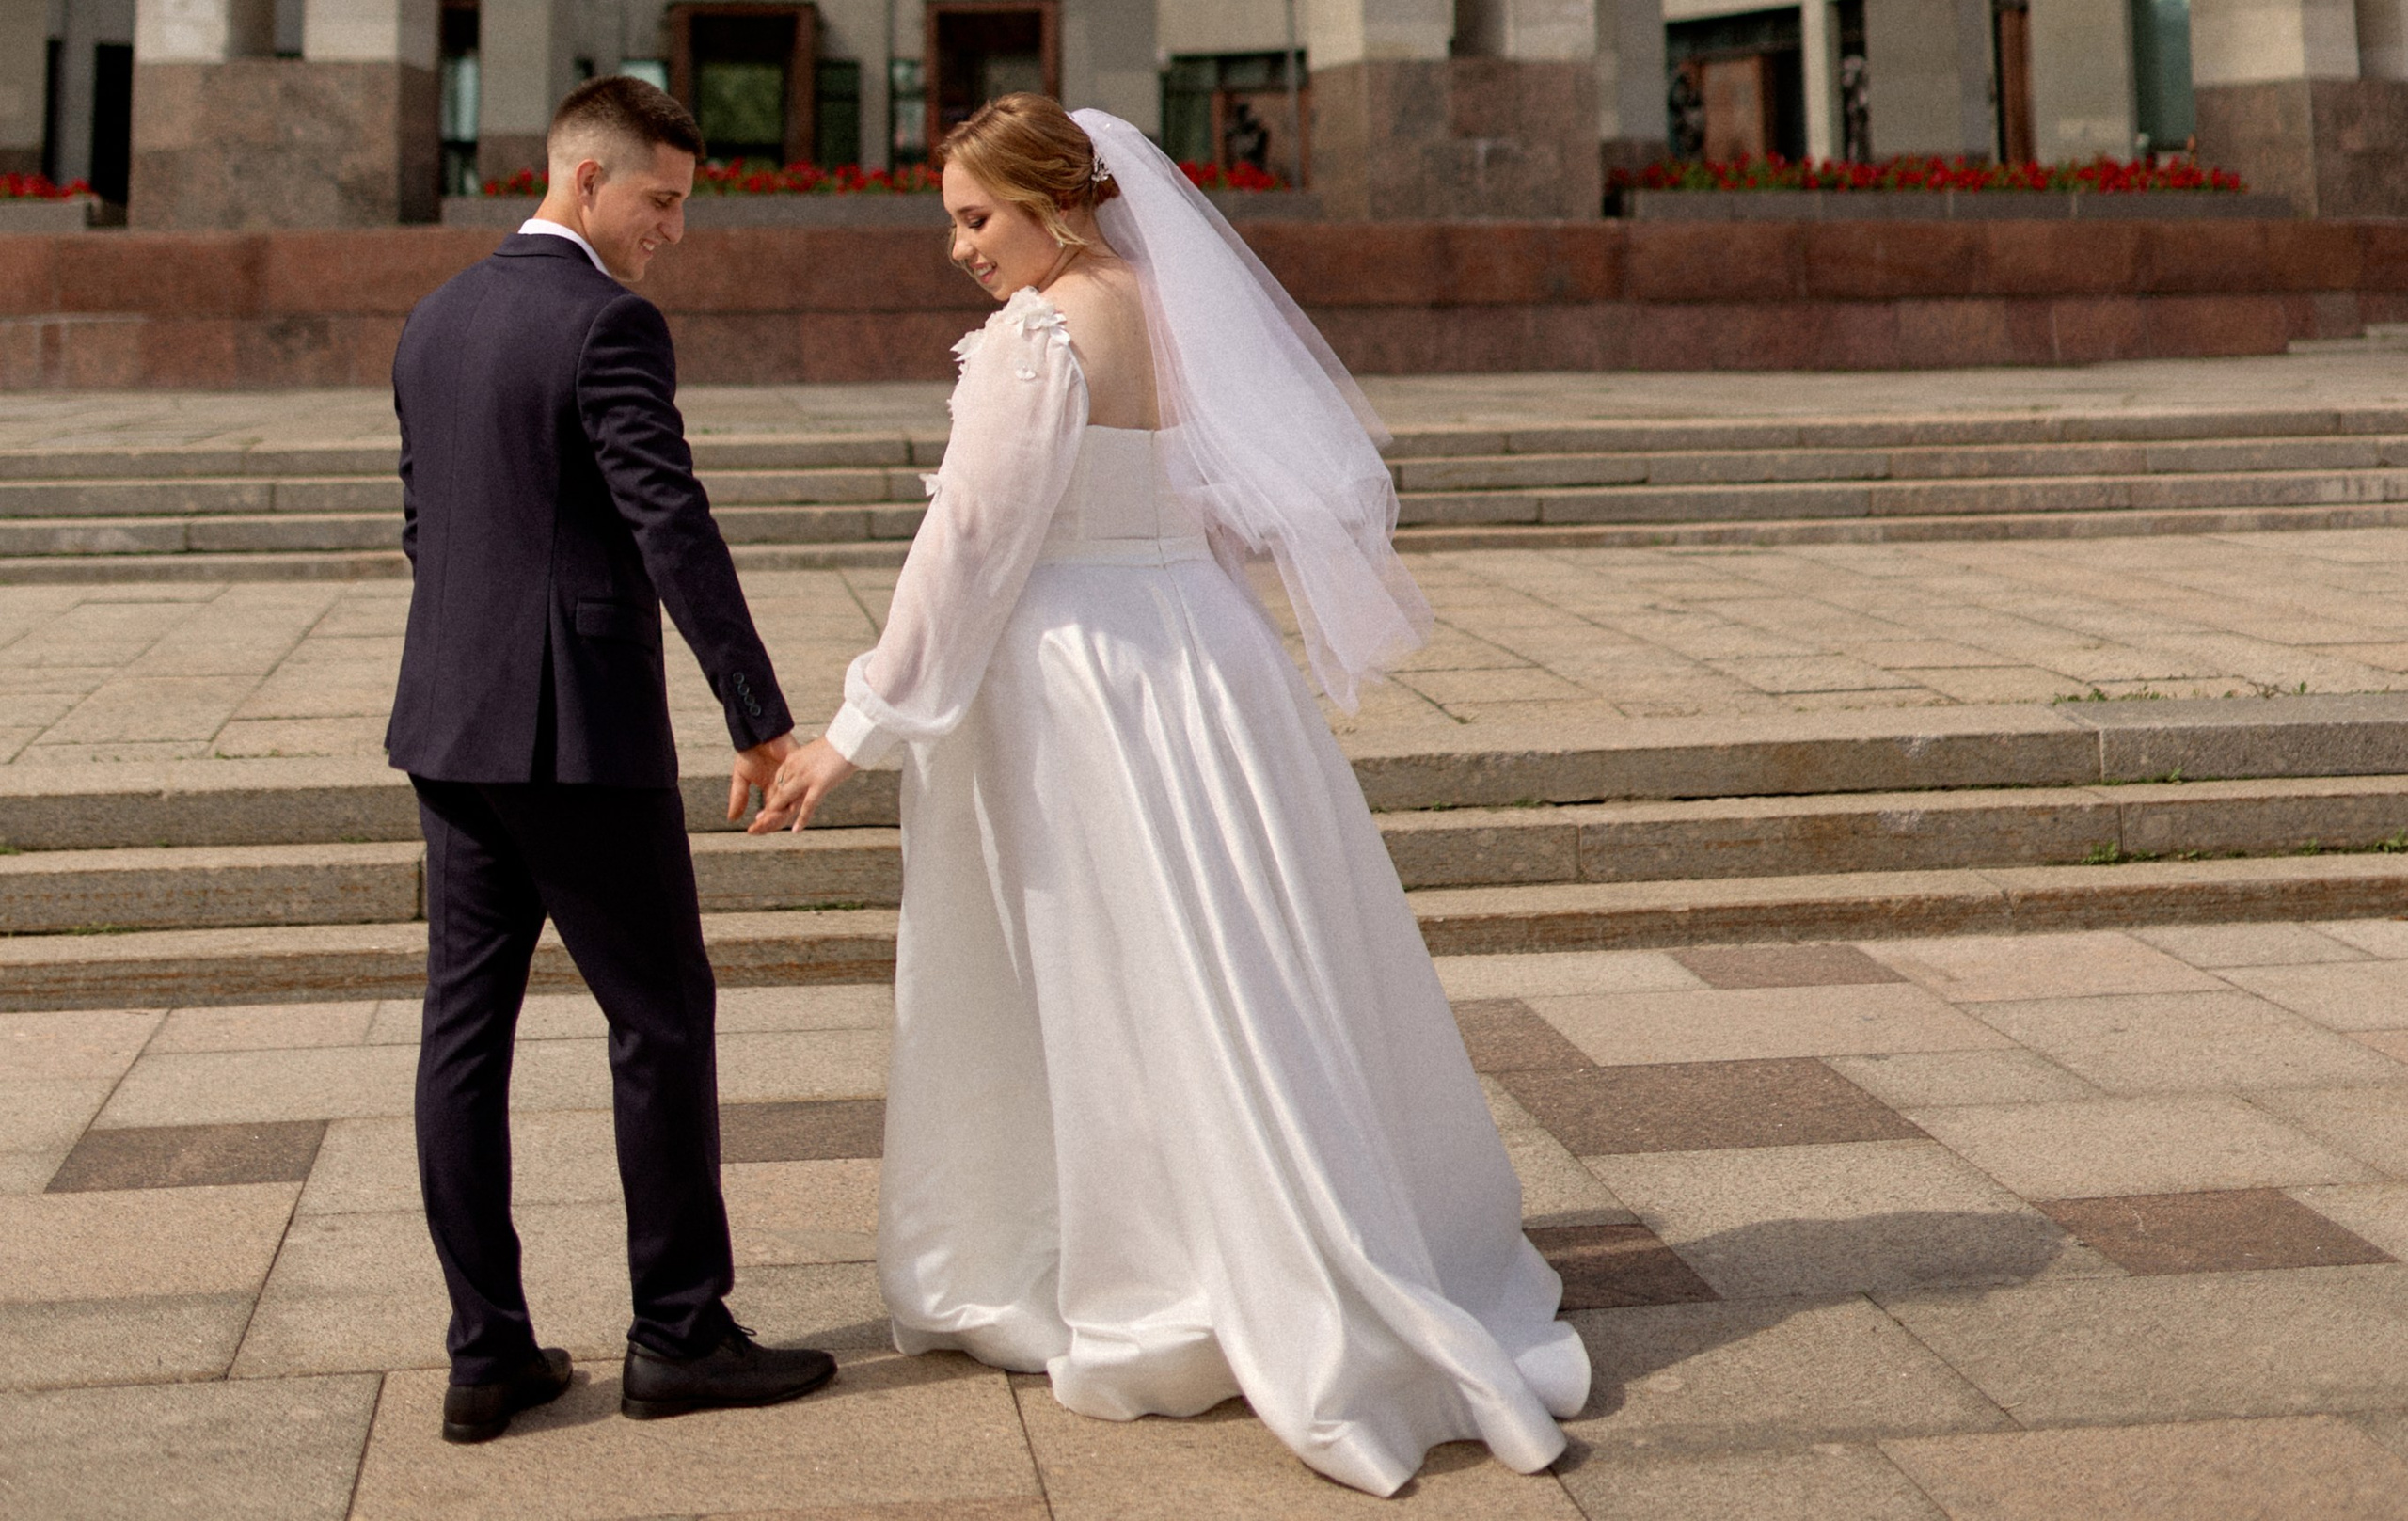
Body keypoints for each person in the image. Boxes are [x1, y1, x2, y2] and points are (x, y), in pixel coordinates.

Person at [758, 96, 1588, 1498]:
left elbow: (969, 544)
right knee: (1234, 954)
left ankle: (1165, 1256)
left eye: (976, 217)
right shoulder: (1158, 300)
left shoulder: (1036, 337)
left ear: (1053, 205)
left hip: (1083, 670)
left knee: (1113, 966)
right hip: (1199, 652)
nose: (961, 248)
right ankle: (1288, 1215)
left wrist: (857, 723)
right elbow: (1190, 494)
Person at [386, 73, 840, 1444]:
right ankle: (680, 1333)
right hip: (576, 735)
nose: (675, 230)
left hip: (449, 726)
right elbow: (671, 526)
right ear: (586, 180)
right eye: (663, 198)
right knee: (659, 1017)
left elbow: (424, 522)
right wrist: (759, 715)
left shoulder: (435, 315)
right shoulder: (606, 320)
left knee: (462, 1037)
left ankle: (488, 1353)